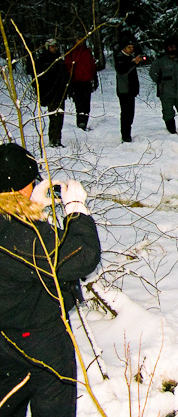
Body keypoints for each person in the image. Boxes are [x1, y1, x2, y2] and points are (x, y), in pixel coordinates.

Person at [0, 142, 101, 417]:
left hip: (6, 337)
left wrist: (30, 208)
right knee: (54, 405)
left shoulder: (13, 228)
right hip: (37, 337)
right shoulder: (23, 235)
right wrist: (76, 210)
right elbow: (81, 256)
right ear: (22, 188)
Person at [35, 39, 69, 147]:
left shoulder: (59, 60)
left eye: (55, 46)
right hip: (50, 94)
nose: (54, 48)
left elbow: (65, 75)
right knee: (53, 117)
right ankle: (53, 140)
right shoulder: (42, 61)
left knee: (60, 118)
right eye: (52, 46)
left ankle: (57, 139)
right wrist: (42, 95)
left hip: (60, 93)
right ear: (47, 47)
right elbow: (38, 79)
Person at [114, 36, 147, 143]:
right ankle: (125, 136)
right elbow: (122, 71)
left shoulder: (129, 57)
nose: (131, 49)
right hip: (124, 90)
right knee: (126, 114)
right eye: (129, 47)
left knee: (130, 114)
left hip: (130, 90)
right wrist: (134, 62)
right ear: (123, 48)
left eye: (132, 47)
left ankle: (127, 134)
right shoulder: (120, 58)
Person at [64, 36, 98, 131]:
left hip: (87, 81)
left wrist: (95, 78)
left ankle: (84, 123)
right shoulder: (71, 53)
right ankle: (80, 123)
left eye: (82, 40)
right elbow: (67, 68)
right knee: (79, 104)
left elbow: (92, 66)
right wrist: (69, 83)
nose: (80, 42)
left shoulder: (88, 52)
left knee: (86, 104)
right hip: (76, 82)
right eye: (78, 40)